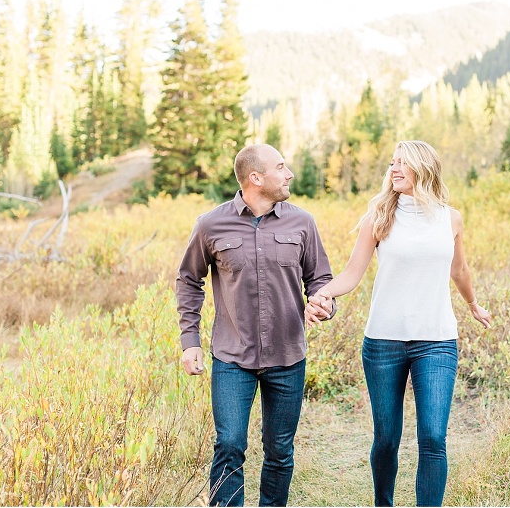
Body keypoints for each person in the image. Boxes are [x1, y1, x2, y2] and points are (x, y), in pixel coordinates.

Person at [305, 140, 492, 506]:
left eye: (402, 163)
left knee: (434, 438)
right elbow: (352, 273)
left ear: (423, 168)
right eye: (392, 163)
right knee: (387, 437)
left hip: (437, 341)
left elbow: (460, 269)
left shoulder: (450, 218)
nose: (393, 169)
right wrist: (322, 294)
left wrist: (473, 304)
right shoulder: (379, 216)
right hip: (383, 342)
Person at [176, 143, 336, 507]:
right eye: (281, 167)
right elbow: (188, 280)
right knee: (230, 443)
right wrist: (190, 341)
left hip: (288, 356)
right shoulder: (211, 224)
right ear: (256, 177)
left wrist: (324, 304)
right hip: (233, 359)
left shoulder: (302, 222)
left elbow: (321, 281)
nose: (289, 174)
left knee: (280, 450)